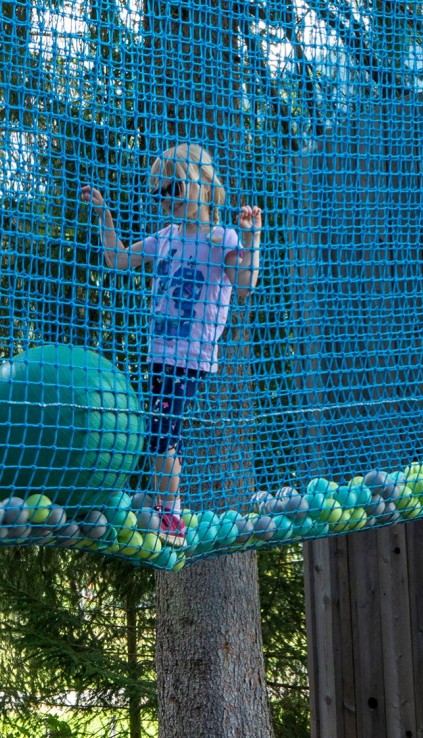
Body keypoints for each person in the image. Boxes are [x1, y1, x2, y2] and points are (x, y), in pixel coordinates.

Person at [80, 143, 262, 546]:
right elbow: (116, 257)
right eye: (159, 194)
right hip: (160, 354)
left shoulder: (221, 237)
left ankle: (170, 513)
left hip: (191, 355)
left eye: (174, 189)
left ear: (201, 185)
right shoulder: (165, 237)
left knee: (164, 432)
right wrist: (104, 215)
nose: (167, 200)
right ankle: (166, 503)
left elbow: (245, 286)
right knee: (161, 430)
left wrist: (252, 238)